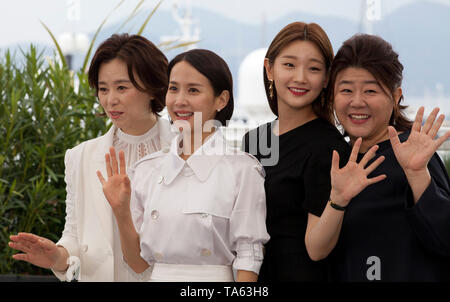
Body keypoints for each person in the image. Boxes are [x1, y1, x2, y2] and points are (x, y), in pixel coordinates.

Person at [8, 34, 174, 281]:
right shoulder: (80, 157)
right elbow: (75, 234)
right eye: (103, 89)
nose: (110, 100)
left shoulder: (185, 151)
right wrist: (58, 257)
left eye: (121, 87)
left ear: (152, 87)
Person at [97, 49, 270, 282]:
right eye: (173, 88)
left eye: (193, 90)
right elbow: (137, 264)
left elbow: (249, 257)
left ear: (222, 99)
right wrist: (121, 211)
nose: (179, 101)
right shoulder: (146, 169)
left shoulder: (242, 169)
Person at [306, 33, 450, 281]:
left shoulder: (411, 154)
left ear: (395, 97)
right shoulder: (334, 161)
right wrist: (338, 200)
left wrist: (417, 175)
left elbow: (445, 240)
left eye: (371, 90)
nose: (357, 102)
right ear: (332, 96)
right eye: (346, 90)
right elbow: (317, 251)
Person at [241, 22, 350, 281]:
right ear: (269, 69)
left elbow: (318, 249)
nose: (300, 77)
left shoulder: (329, 148)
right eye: (289, 64)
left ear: (326, 79)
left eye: (313, 68)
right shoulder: (254, 140)